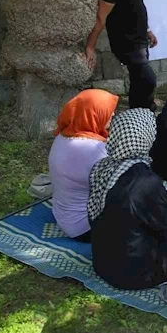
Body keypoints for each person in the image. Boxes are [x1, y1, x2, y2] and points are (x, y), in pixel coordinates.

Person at [89, 108, 167, 290]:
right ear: (144, 136)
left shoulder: (102, 167)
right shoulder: (144, 182)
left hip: (103, 263)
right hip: (137, 273)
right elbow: (166, 226)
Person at [85, 0, 158, 111]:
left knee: (139, 80)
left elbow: (137, 7)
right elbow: (101, 18)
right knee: (148, 79)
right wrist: (90, 46)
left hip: (140, 40)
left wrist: (148, 30)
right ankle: (145, 113)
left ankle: (139, 114)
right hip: (125, 42)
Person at [48, 89, 119, 242]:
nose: (113, 115)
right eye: (108, 111)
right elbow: (119, 188)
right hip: (85, 227)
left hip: (62, 215)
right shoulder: (95, 149)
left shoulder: (62, 136)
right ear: (93, 114)